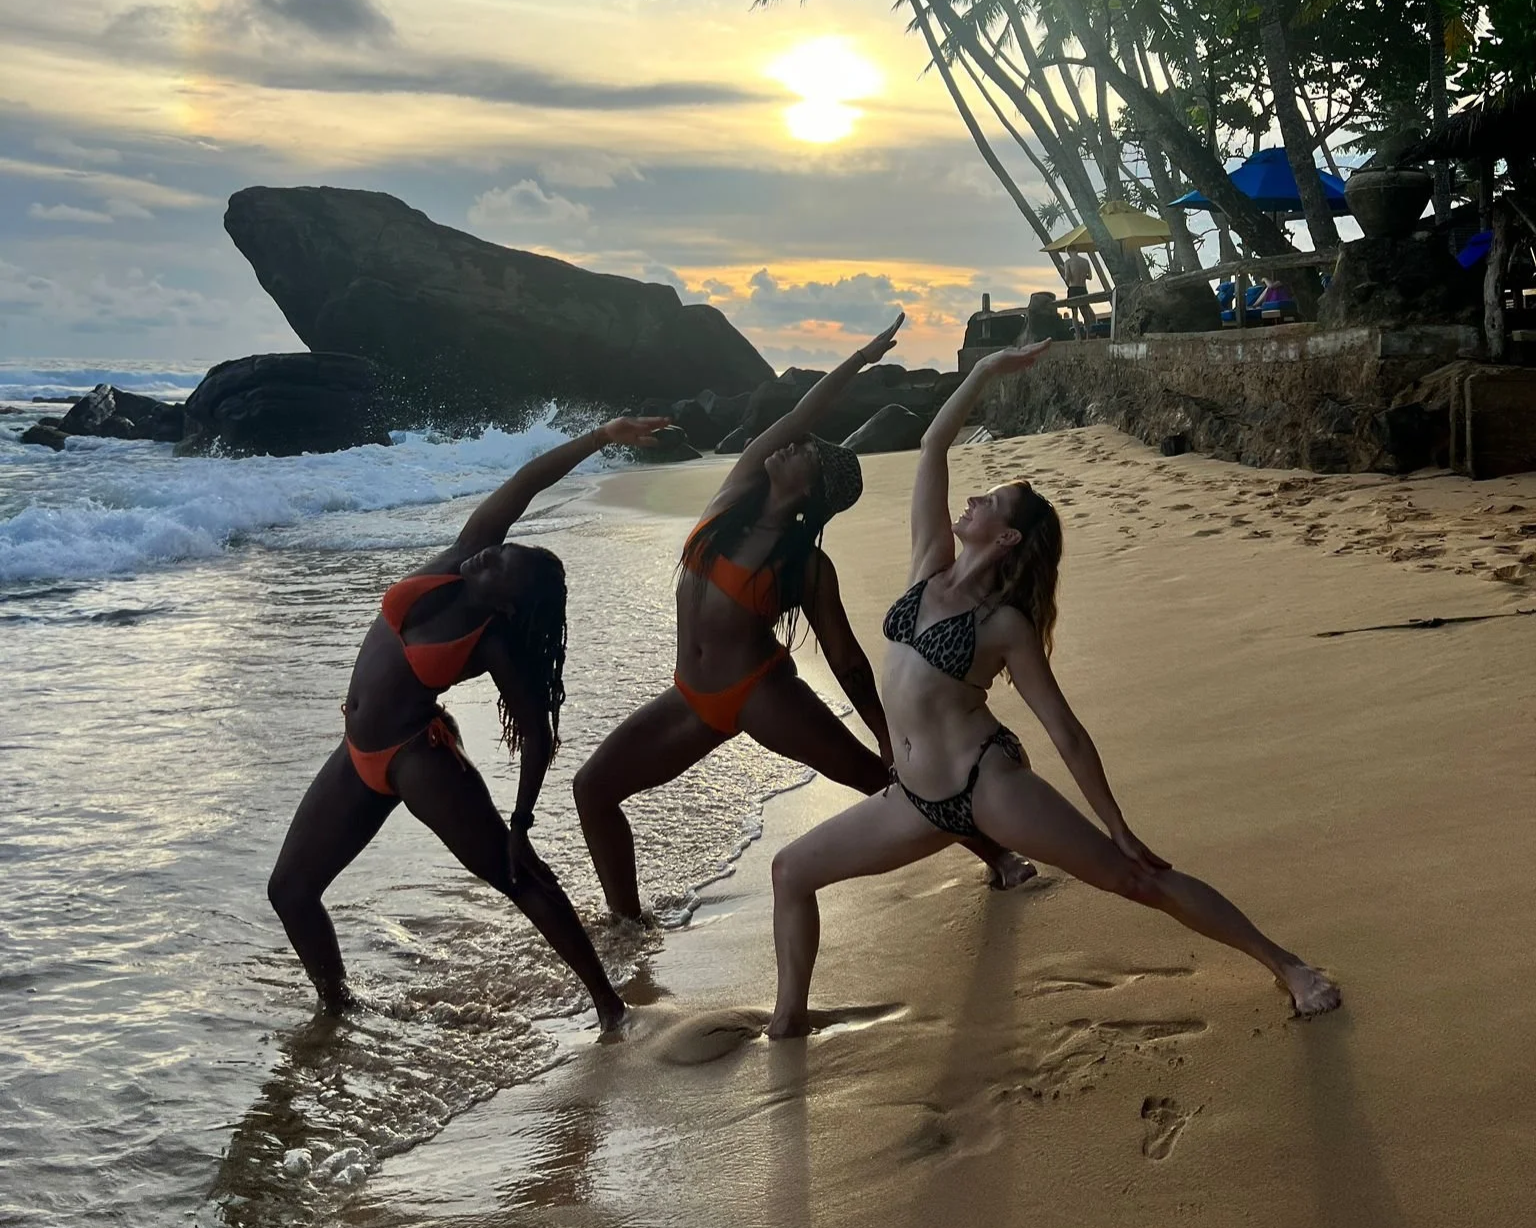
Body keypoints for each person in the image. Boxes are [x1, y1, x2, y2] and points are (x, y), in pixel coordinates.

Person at [768, 340, 1341, 1038]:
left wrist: (1118, 827)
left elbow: (1065, 730)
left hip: (987, 786)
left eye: (992, 501)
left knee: (1138, 881)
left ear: (1007, 538)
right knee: (792, 870)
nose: (974, 500)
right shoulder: (928, 565)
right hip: (915, 799)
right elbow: (932, 447)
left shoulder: (1004, 624)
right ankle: (787, 1023)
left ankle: (1287, 966)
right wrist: (982, 372)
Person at [575, 314, 1034, 922]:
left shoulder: (806, 567)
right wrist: (861, 359)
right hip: (691, 697)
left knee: (876, 778)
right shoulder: (733, 500)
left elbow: (844, 656)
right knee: (593, 789)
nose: (790, 447)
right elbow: (797, 417)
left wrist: (882, 730)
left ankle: (997, 855)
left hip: (760, 694)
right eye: (795, 445)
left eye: (803, 454)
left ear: (812, 484)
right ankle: (626, 921)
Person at [267, 415, 668, 1029]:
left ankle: (609, 1005)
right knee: (290, 891)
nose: (488, 555)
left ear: (506, 601)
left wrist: (523, 820)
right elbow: (525, 483)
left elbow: (537, 732)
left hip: (416, 758)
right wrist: (602, 437)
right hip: (356, 754)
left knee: (515, 872)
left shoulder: (491, 644)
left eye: (499, 565)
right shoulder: (462, 555)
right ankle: (337, 1009)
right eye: (499, 549)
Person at [1060, 251, 1096, 339]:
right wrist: (1082, 275)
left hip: (1073, 289)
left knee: (1074, 314)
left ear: (1069, 252)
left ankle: (1078, 337)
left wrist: (1064, 271)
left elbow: (1068, 278)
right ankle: (1088, 335)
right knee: (1085, 313)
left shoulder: (1068, 262)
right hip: (1083, 288)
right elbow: (1090, 277)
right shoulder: (1085, 261)